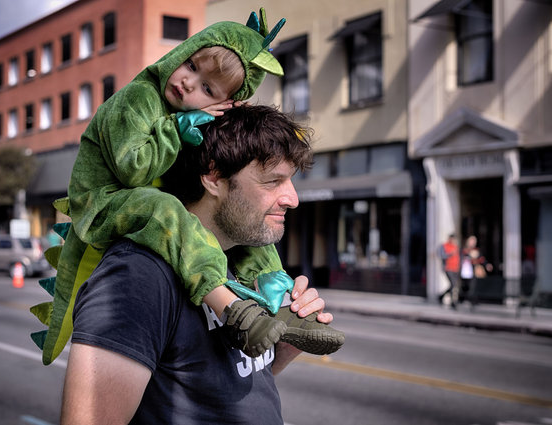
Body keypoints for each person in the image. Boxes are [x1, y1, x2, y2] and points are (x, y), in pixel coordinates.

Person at [31, 9, 343, 365]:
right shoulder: (138, 98)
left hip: (151, 197)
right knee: (166, 210)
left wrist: (286, 341)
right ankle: (232, 310)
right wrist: (176, 129)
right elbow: (133, 170)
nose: (188, 83)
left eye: (208, 89)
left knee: (252, 234)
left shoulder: (190, 123)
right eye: (192, 65)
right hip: (103, 203)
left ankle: (277, 299)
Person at [60, 104, 344, 424]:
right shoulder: (138, 276)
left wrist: (284, 348)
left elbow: (221, 386)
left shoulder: (241, 261)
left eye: (290, 181)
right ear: (214, 177)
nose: (292, 198)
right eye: (272, 181)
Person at [460, 235, 492, 307]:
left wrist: (486, 265)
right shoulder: (464, 250)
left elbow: (482, 259)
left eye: (474, 241)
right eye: (471, 241)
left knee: (473, 286)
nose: (473, 243)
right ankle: (464, 299)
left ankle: (472, 300)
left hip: (473, 271)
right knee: (465, 285)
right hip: (465, 271)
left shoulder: (476, 250)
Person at [438, 234, 460, 309]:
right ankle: (453, 302)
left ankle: (441, 296)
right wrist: (450, 254)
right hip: (448, 268)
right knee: (453, 284)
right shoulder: (444, 246)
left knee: (453, 285)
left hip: (455, 268)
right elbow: (441, 255)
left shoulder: (456, 247)